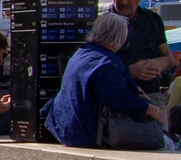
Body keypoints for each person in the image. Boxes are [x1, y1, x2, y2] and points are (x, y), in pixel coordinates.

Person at [45, 12, 169, 149]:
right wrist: (153, 110)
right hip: (87, 133)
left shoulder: (81, 53)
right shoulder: (107, 62)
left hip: (65, 130)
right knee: (166, 144)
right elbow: (120, 98)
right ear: (121, 38)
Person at [108, 0, 177, 98]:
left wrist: (161, 63)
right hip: (116, 96)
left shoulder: (153, 19)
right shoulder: (102, 23)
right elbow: (92, 68)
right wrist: (128, 72)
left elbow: (169, 57)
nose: (123, 2)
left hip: (151, 94)